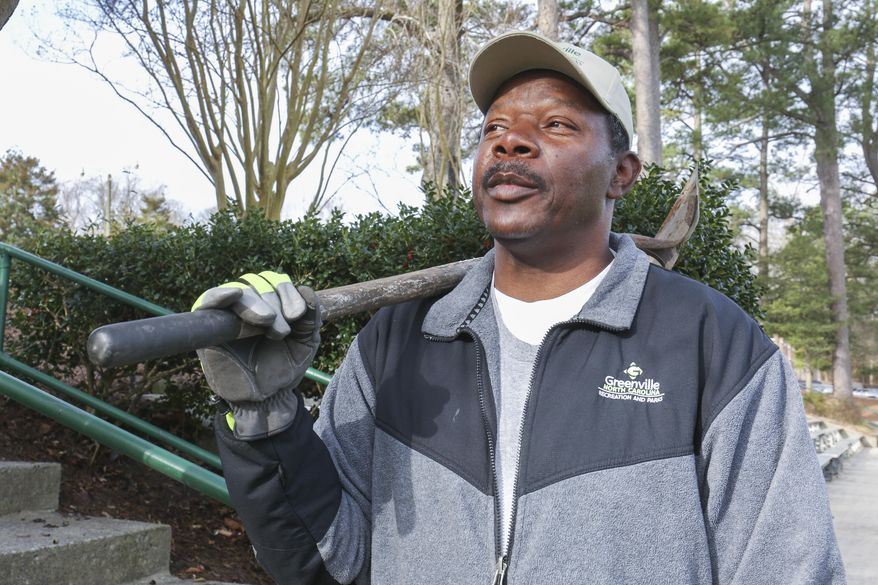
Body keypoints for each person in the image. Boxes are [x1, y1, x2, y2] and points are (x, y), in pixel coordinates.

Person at [194, 31, 846, 584]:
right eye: (495, 129)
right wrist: (265, 416)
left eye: (555, 125)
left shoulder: (712, 344)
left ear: (622, 172)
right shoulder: (397, 341)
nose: (511, 142)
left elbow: (788, 565)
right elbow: (322, 560)